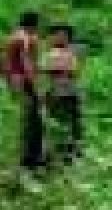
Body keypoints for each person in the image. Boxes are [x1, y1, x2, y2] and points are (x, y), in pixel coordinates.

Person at [4, 12, 43, 169]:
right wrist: (35, 84)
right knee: (32, 119)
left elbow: (7, 64)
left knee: (27, 118)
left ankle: (28, 157)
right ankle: (29, 159)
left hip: (16, 81)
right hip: (24, 82)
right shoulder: (24, 38)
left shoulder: (14, 37)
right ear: (34, 25)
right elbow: (25, 61)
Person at [44, 23, 83, 161]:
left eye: (63, 35)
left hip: (70, 92)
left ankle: (73, 151)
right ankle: (57, 152)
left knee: (73, 122)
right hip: (55, 92)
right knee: (55, 122)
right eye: (56, 35)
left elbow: (73, 71)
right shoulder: (51, 53)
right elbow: (48, 73)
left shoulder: (72, 52)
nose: (59, 38)